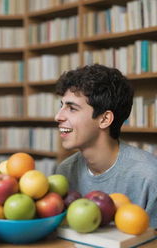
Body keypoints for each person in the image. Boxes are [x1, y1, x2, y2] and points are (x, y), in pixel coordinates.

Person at [54, 64, 157, 228]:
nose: (58, 116)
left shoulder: (150, 176)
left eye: (72, 108)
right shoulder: (64, 172)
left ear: (104, 119)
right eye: (62, 106)